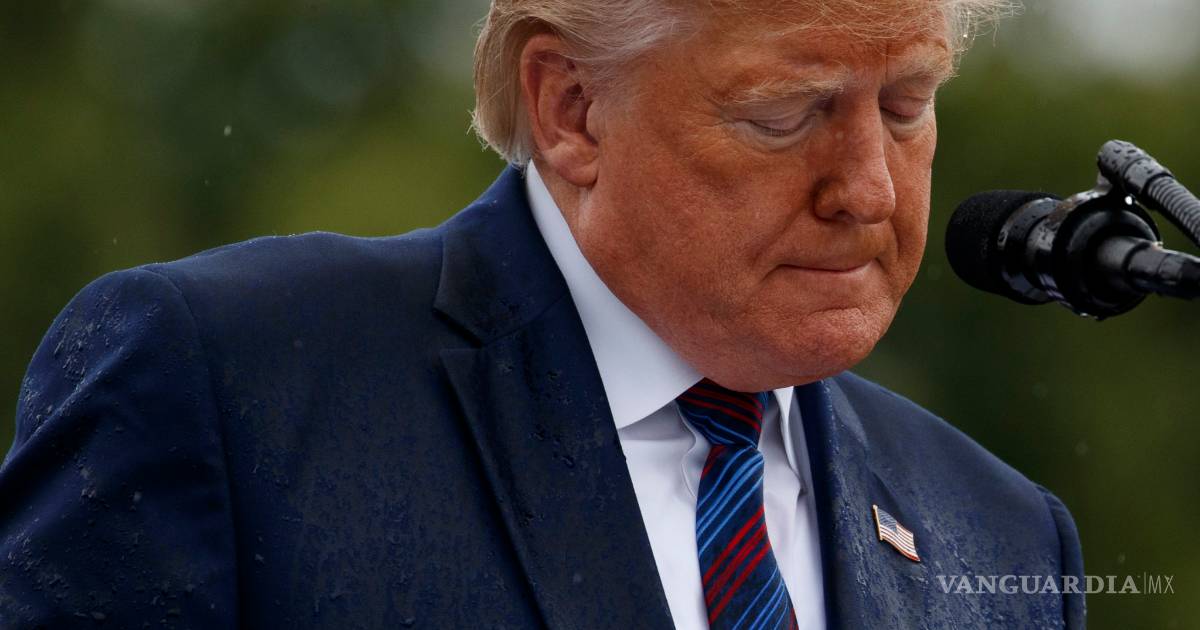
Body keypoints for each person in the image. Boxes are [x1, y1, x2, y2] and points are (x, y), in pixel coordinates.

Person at [0, 1, 1084, 628]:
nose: (871, 190)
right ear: (572, 109)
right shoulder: (229, 386)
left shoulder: (1005, 534)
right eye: (785, 114)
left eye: (905, 107)